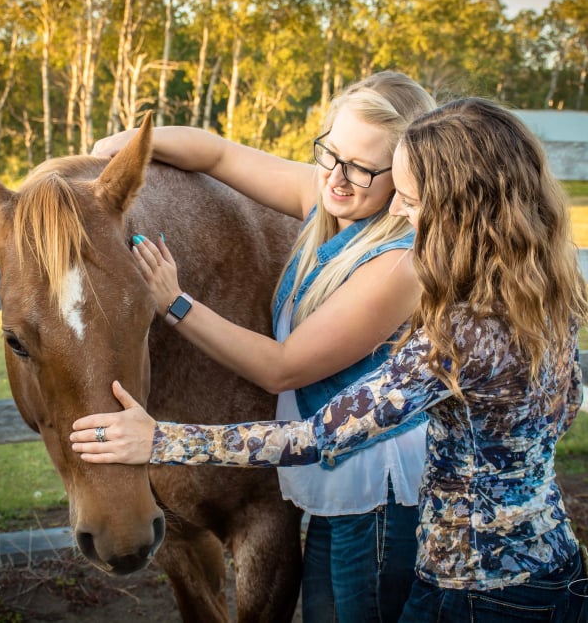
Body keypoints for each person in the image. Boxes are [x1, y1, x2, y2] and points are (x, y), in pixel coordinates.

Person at [73, 97, 588, 622]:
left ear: (461, 208)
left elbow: (313, 438)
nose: (399, 212)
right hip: (552, 567)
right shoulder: (547, 297)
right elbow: (565, 409)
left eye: (410, 199)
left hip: (481, 591)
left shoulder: (457, 334)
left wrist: (158, 439)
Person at [91, 71, 437, 622]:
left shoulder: (398, 260)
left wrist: (176, 302)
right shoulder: (325, 198)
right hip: (337, 476)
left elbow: (283, 369)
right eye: (330, 153)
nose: (338, 178)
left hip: (376, 495)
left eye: (364, 169)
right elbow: (217, 155)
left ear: (404, 177)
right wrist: (116, 153)